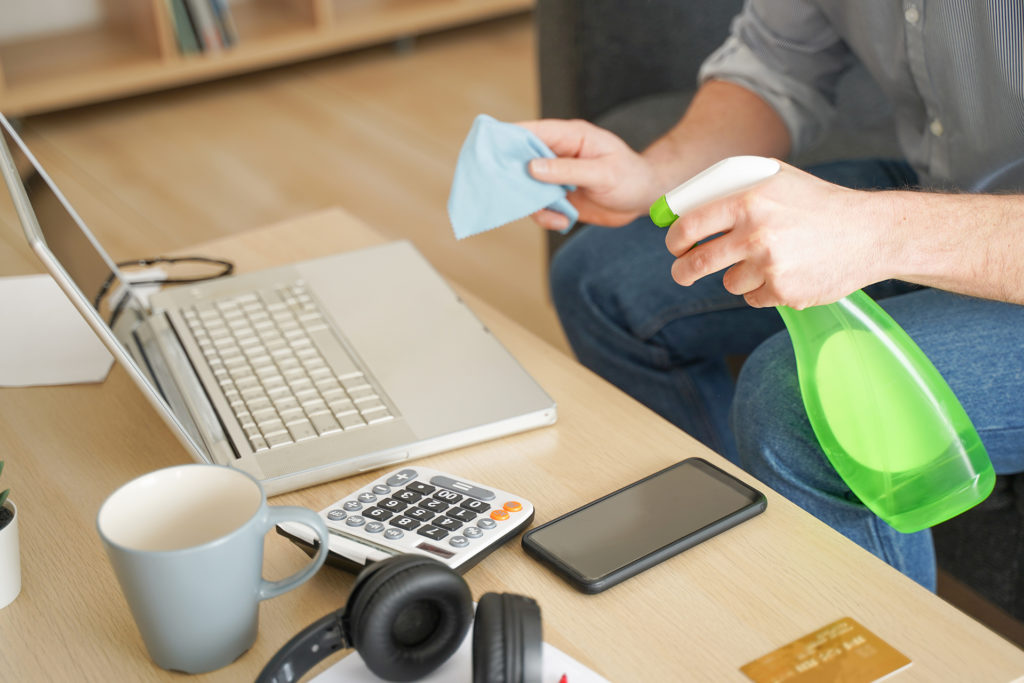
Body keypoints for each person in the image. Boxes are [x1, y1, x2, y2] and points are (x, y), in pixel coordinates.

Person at [518, 1, 1024, 590]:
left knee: (794, 403)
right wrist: (654, 177)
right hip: (955, 186)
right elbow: (779, 61)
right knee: (602, 283)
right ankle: (740, 579)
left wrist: (876, 232)